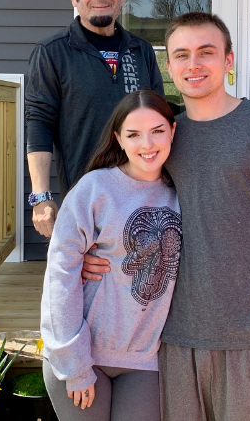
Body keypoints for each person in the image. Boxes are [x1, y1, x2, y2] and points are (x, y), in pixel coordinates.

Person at [83, 12, 250, 420]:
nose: (194, 65)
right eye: (182, 55)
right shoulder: (162, 138)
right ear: (168, 67)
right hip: (171, 335)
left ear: (228, 60)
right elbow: (122, 202)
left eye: (207, 53)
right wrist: (89, 251)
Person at [40, 89, 181, 421]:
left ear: (173, 132)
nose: (147, 144)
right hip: (83, 352)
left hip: (144, 360)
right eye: (133, 134)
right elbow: (61, 273)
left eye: (158, 131)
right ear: (118, 138)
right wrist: (74, 363)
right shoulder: (95, 189)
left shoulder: (183, 194)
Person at [25, 0, 165, 239]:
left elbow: (160, 118)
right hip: (84, 200)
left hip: (144, 199)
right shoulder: (52, 52)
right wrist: (40, 196)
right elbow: (39, 122)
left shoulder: (142, 51)